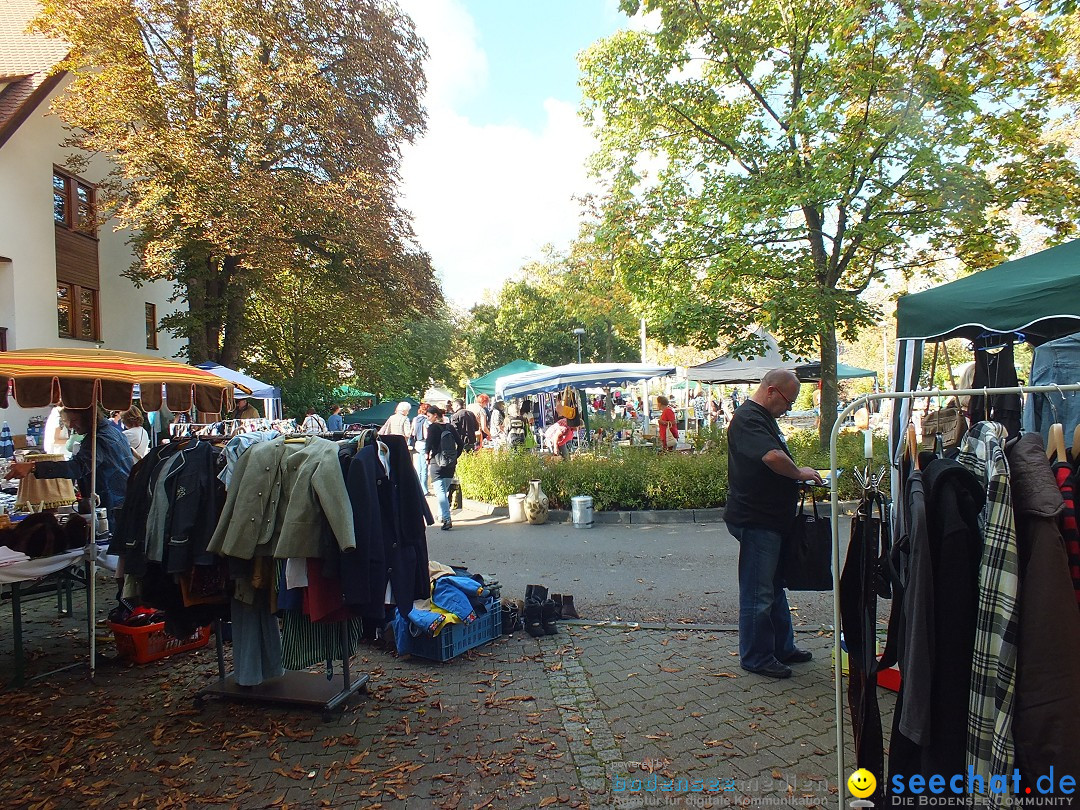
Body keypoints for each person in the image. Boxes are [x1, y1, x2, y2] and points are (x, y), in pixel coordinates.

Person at [725, 369, 823, 679]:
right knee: (759, 592)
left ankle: (782, 647)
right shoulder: (748, 418)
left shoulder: (760, 417)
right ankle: (755, 656)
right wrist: (799, 473)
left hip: (770, 519)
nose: (790, 408)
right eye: (788, 401)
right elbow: (771, 457)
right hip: (757, 519)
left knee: (773, 586)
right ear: (770, 391)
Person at [4, 405, 133, 527]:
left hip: (110, 508)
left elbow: (78, 467)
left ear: (89, 417)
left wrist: (33, 467)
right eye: (68, 421)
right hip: (121, 504)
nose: (71, 426)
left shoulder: (98, 439)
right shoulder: (113, 432)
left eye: (75, 420)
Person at [425, 406, 463, 530]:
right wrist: (455, 456)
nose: (428, 418)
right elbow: (461, 443)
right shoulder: (450, 427)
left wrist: (427, 456)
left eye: (429, 416)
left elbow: (428, 445)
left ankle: (447, 518)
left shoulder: (432, 428)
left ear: (435, 415)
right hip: (450, 464)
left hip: (437, 462)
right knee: (444, 490)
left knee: (440, 492)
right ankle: (441, 515)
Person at [411, 403, 431, 496]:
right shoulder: (426, 420)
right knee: (424, 468)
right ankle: (424, 490)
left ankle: (417, 488)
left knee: (418, 467)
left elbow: (413, 432)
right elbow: (426, 434)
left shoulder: (415, 419)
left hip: (417, 443)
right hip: (423, 443)